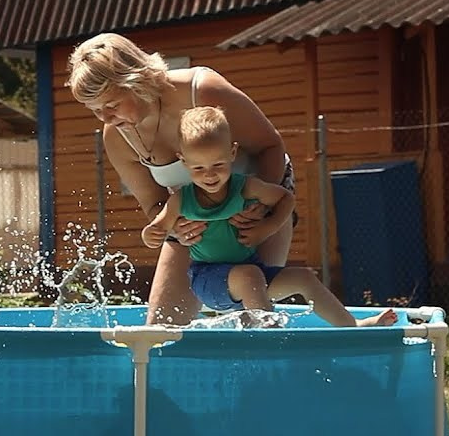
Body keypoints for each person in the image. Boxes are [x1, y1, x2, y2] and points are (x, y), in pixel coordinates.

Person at [66, 32, 294, 325]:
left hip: (256, 205)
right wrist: (177, 228)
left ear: (135, 81)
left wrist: (262, 211)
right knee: (161, 328)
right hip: (196, 213)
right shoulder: (118, 139)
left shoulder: (202, 91)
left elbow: (270, 146)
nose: (106, 119)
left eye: (111, 105)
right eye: (95, 110)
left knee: (254, 315)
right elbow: (154, 204)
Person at [142, 106, 396, 327]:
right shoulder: (181, 200)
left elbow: (286, 198)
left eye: (218, 165)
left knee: (304, 278)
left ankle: (353, 324)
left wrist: (267, 227)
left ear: (232, 153)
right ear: (183, 162)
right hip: (208, 279)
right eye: (199, 168)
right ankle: (268, 338)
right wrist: (151, 234)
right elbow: (158, 228)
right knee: (250, 275)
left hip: (254, 277)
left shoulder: (245, 187)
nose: (210, 175)